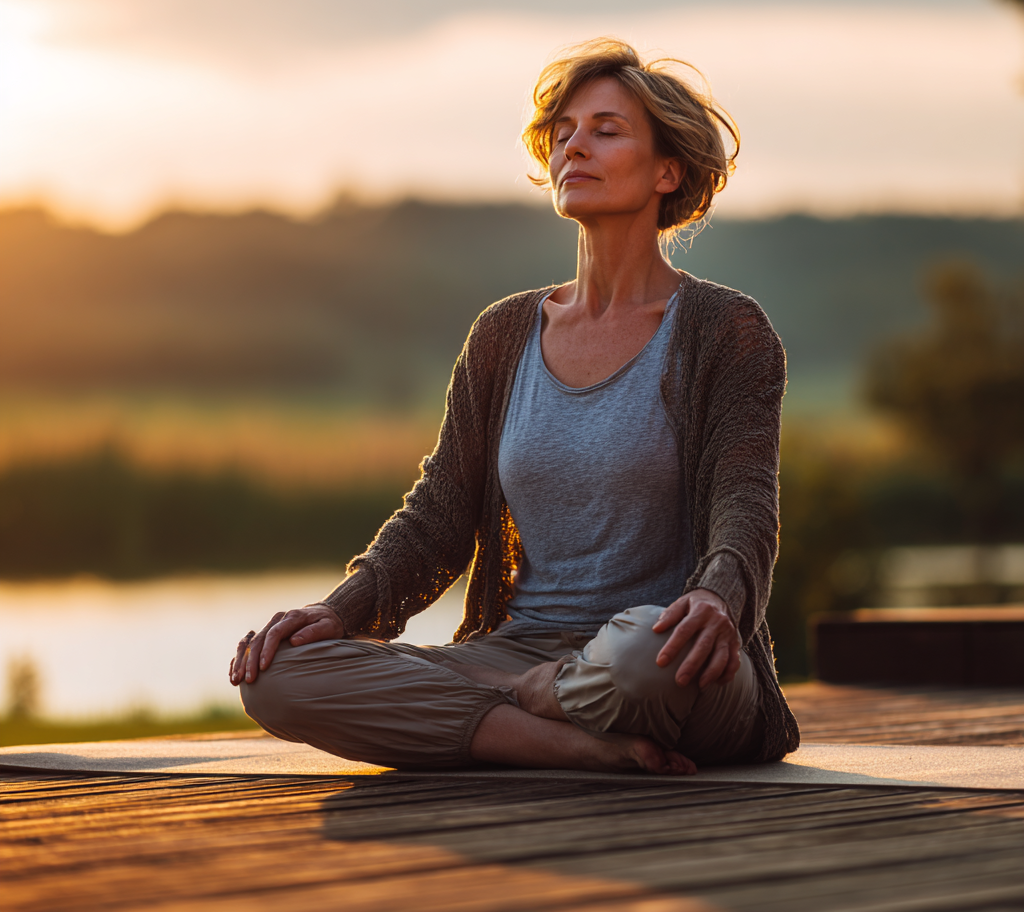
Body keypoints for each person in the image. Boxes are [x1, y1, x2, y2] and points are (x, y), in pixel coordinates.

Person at [231, 39, 800, 775]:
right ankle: (566, 741)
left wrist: (720, 598)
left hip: (668, 654)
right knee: (278, 677)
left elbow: (746, 503)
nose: (574, 148)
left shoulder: (725, 330)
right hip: (514, 648)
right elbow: (437, 514)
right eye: (562, 133)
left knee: (640, 655)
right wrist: (341, 611)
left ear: (669, 170)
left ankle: (528, 704)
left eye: (605, 129)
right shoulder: (504, 333)